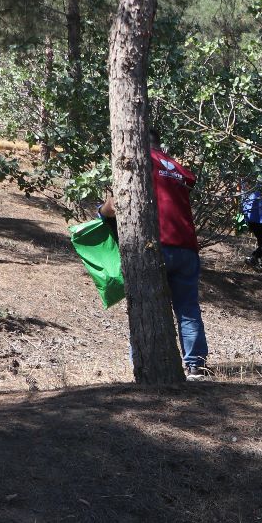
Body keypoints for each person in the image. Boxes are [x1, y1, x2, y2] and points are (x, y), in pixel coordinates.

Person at [100, 126, 209, 380]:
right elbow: (188, 183)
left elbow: (117, 204)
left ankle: (145, 365)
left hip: (154, 245)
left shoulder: (137, 160)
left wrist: (100, 211)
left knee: (144, 303)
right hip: (187, 247)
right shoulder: (176, 167)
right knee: (188, 308)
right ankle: (196, 366)